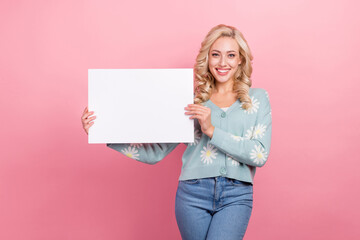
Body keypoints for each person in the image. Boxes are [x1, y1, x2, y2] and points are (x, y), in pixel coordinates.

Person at [81, 24, 272, 240]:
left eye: (230, 55)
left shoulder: (256, 99)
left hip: (236, 195)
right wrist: (103, 133)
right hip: (192, 195)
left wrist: (211, 130)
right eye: (216, 54)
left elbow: (259, 154)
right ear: (207, 58)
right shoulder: (190, 102)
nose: (222, 62)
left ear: (240, 59)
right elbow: (155, 153)